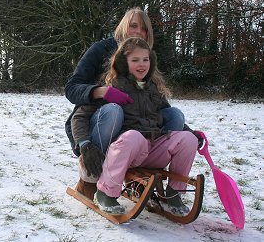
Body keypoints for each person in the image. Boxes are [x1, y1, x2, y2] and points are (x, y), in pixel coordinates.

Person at [64, 7, 185, 199]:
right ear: (123, 26)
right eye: (133, 25)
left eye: (144, 28)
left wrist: (188, 131)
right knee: (114, 111)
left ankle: (141, 176)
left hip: (134, 128)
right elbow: (71, 88)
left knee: (175, 116)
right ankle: (91, 177)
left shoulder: (143, 58)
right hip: (99, 120)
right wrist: (102, 91)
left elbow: (155, 102)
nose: (138, 31)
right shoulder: (100, 50)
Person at [72, 37, 202, 216]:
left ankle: (173, 193)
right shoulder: (112, 86)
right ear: (124, 63)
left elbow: (166, 114)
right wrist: (85, 144)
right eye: (135, 60)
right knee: (133, 136)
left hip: (153, 148)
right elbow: (80, 116)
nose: (142, 65)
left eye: (145, 59)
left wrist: (192, 133)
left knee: (187, 140)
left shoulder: (153, 89)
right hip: (127, 151)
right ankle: (105, 193)